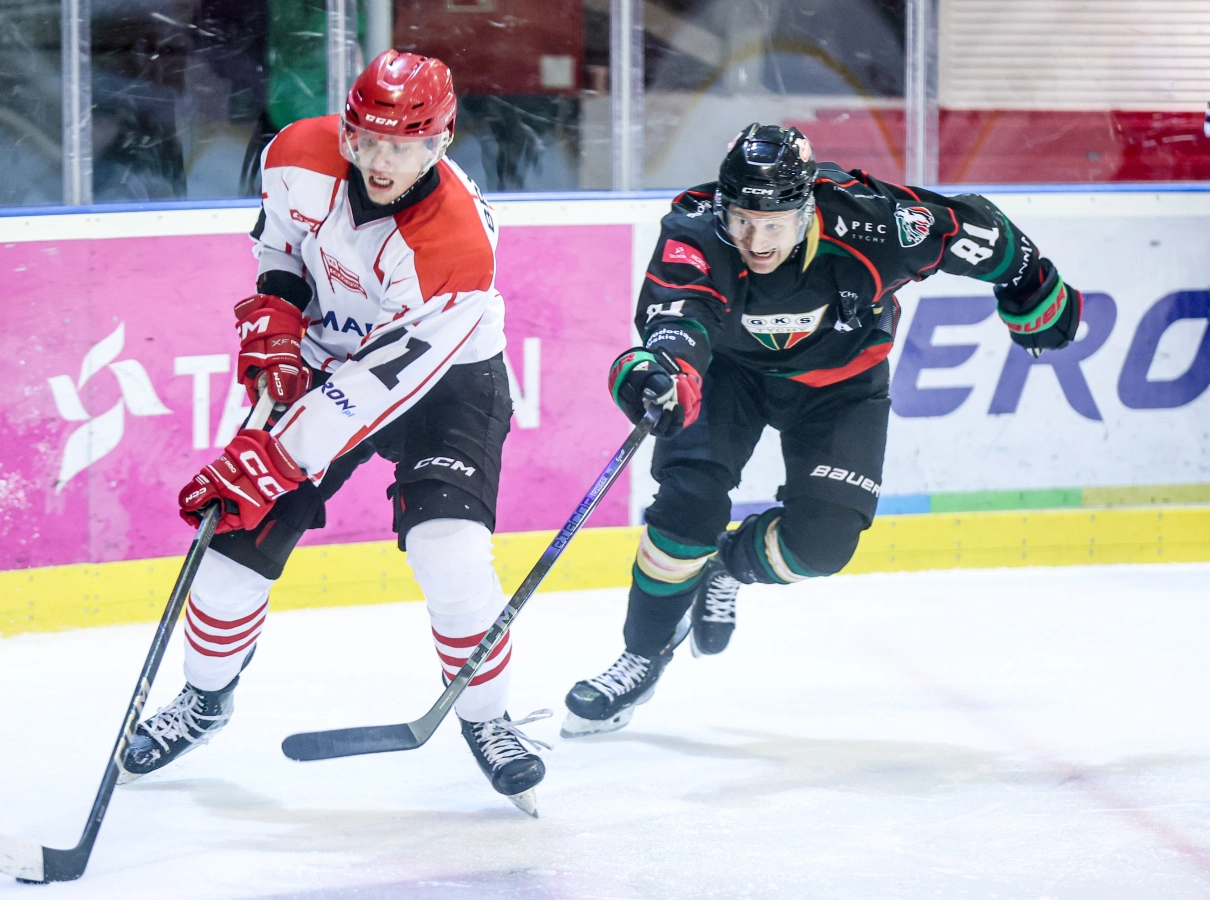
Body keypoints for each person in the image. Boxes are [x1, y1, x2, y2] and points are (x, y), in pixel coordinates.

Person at [120, 50, 550, 816]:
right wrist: (277, 316)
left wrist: (273, 458)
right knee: (228, 559)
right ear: (347, 130)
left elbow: (374, 390)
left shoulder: (455, 247)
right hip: (329, 359)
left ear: (441, 141)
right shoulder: (296, 153)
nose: (381, 162)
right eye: (368, 141)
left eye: (404, 146)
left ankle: (488, 718)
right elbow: (281, 245)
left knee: (448, 551)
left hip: (446, 381)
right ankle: (204, 701)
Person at [562, 124, 1083, 737]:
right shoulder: (696, 230)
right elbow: (679, 316)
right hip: (728, 376)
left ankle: (724, 565)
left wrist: (1032, 287)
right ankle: (643, 655)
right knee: (686, 507)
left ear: (807, 209)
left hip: (841, 387)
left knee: (821, 546)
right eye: (742, 220)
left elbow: (979, 229)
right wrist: (663, 371)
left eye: (774, 224)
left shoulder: (876, 223)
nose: (756, 240)